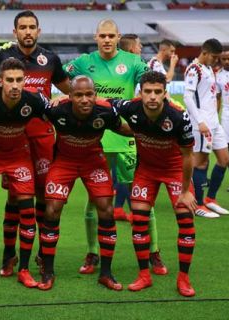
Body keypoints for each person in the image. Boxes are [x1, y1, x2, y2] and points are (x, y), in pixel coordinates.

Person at [65, 19, 168, 276]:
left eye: (112, 35)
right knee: (95, 202)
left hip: (127, 139)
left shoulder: (133, 62)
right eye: (103, 35)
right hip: (95, 140)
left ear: (118, 36)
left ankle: (153, 252)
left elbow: (153, 85)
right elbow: (60, 79)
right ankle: (93, 253)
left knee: (142, 200)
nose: (107, 40)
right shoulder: (82, 63)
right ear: (96, 36)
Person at [0, 10, 69, 276]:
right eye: (23, 27)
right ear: (15, 32)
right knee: (16, 197)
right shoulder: (1, 56)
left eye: (32, 27)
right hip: (13, 137)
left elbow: (70, 89)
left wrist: (62, 100)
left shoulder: (50, 59)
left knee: (44, 195)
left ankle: (43, 255)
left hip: (42, 135)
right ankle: (9, 256)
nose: (28, 31)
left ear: (39, 31)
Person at [40, 75, 130, 291]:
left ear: (95, 95)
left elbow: (124, 129)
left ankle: (106, 273)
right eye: (78, 95)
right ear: (70, 96)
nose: (84, 99)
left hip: (93, 163)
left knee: (107, 210)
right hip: (64, 162)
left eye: (89, 94)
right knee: (52, 210)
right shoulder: (57, 110)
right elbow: (32, 106)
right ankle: (48, 271)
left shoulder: (106, 112)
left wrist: (151, 133)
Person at [112, 71, 197, 297]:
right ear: (140, 92)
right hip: (146, 171)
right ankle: (144, 276)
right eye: (147, 91)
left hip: (174, 171)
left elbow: (188, 155)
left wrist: (187, 190)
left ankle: (183, 278)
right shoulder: (131, 107)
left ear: (165, 93)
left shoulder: (179, 116)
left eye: (157, 92)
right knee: (138, 220)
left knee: (186, 222)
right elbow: (105, 102)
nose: (152, 97)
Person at [0, 58, 48, 290]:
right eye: (10, 80)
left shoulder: (34, 98)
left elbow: (57, 113)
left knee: (27, 210)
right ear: (0, 81)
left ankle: (23, 268)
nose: (15, 85)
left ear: (25, 81)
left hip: (18, 156)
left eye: (19, 80)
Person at [184, 38, 229, 217]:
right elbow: (188, 97)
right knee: (201, 163)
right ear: (204, 52)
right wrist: (200, 121)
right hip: (201, 124)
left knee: (224, 159)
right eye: (214, 56)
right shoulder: (193, 69)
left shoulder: (209, 68)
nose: (217, 60)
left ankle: (210, 199)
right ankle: (198, 205)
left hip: (214, 123)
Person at [215, 47, 229, 192]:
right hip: (227, 116)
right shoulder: (218, 75)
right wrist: (215, 115)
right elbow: (218, 97)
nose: (227, 61)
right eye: (224, 59)